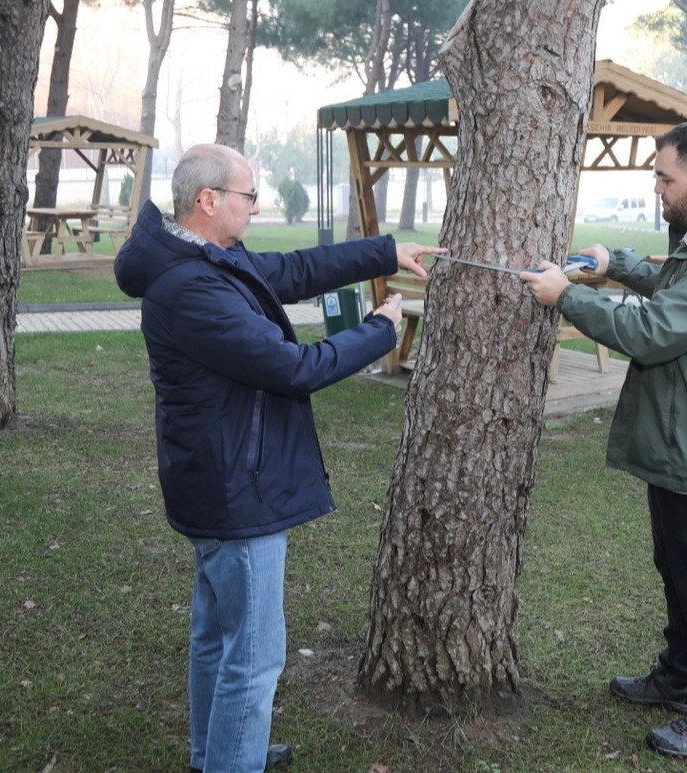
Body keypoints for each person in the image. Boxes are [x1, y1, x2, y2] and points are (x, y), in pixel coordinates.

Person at [114, 143, 445, 773]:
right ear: (208, 201)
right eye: (248, 195)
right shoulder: (192, 288)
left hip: (223, 478)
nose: (256, 205)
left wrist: (383, 252)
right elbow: (292, 368)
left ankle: (216, 753)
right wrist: (380, 330)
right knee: (253, 655)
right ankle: (230, 759)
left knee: (217, 637)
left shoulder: (206, 257)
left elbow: (288, 272)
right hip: (236, 488)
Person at [520, 122, 687, 759]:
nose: (657, 189)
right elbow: (674, 287)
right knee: (679, 570)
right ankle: (678, 677)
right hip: (682, 445)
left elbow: (655, 332)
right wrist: (617, 266)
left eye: (666, 178)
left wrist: (565, 298)